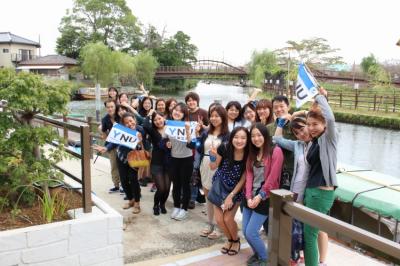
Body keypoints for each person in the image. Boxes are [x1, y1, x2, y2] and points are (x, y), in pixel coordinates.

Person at [303, 87, 338, 266]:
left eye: (315, 124)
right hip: (311, 191)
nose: (311, 128)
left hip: (321, 192)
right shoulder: (314, 142)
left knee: (309, 236)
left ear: (324, 125)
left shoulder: (329, 140)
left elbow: (330, 118)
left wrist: (320, 96)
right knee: (309, 234)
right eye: (308, 124)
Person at [243, 123, 284, 266]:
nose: (256, 138)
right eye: (253, 136)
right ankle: (258, 254)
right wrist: (248, 197)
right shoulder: (252, 153)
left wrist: (259, 196)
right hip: (250, 197)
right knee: (245, 231)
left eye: (259, 135)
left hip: (265, 198)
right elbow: (248, 175)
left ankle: (265, 259)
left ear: (265, 136)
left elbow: (273, 178)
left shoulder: (275, 151)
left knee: (251, 232)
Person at [208, 127, 249, 256]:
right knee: (220, 220)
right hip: (220, 186)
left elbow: (244, 178)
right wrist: (213, 157)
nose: (239, 140)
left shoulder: (249, 154)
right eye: (236, 137)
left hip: (236, 189)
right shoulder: (224, 148)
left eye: (243, 138)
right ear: (231, 138)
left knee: (228, 218)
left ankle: (236, 241)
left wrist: (231, 195)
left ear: (247, 140)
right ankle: (230, 239)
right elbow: (213, 167)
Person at [191, 105, 230, 239]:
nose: (213, 118)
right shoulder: (206, 132)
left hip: (218, 168)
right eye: (211, 116)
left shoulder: (227, 136)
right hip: (205, 166)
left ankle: (219, 226)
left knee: (217, 198)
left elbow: (228, 155)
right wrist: (196, 134)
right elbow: (198, 148)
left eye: (217, 116)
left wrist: (216, 158)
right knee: (208, 196)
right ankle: (210, 223)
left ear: (223, 117)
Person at [94, 113, 143, 214]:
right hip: (121, 157)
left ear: (134, 119)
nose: (129, 123)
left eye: (131, 121)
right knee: (124, 181)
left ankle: (137, 203)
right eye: (126, 123)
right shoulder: (121, 131)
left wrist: (139, 140)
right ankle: (131, 200)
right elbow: (114, 142)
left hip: (134, 158)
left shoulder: (140, 130)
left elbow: (142, 144)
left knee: (133, 180)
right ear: (123, 125)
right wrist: (106, 148)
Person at [166, 103, 194, 221]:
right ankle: (176, 206)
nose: (177, 113)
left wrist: (188, 131)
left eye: (180, 111)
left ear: (184, 114)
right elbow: (164, 140)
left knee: (185, 185)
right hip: (174, 158)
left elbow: (192, 145)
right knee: (176, 184)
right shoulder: (169, 124)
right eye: (175, 110)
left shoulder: (189, 125)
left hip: (186, 158)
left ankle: (184, 209)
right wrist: (167, 143)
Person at [143, 111, 171, 215]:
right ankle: (155, 205)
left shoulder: (171, 129)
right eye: (155, 120)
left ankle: (162, 204)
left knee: (167, 188)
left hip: (169, 163)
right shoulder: (153, 131)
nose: (158, 121)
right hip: (157, 163)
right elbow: (145, 124)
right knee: (161, 188)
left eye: (159, 118)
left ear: (164, 118)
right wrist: (150, 114)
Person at [185, 92, 209, 209]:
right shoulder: (186, 113)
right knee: (189, 170)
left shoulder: (204, 113)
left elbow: (211, 128)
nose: (191, 102)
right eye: (188, 101)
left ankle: (193, 198)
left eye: (193, 100)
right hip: (187, 145)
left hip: (199, 146)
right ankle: (193, 194)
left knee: (195, 171)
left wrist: (201, 129)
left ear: (197, 101)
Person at [99, 99, 121, 193]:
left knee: (124, 166)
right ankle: (116, 185)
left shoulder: (120, 116)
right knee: (114, 166)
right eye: (108, 107)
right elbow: (103, 131)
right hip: (111, 146)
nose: (110, 109)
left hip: (123, 145)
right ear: (106, 108)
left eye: (112, 106)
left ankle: (125, 185)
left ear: (115, 107)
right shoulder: (105, 119)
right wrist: (105, 138)